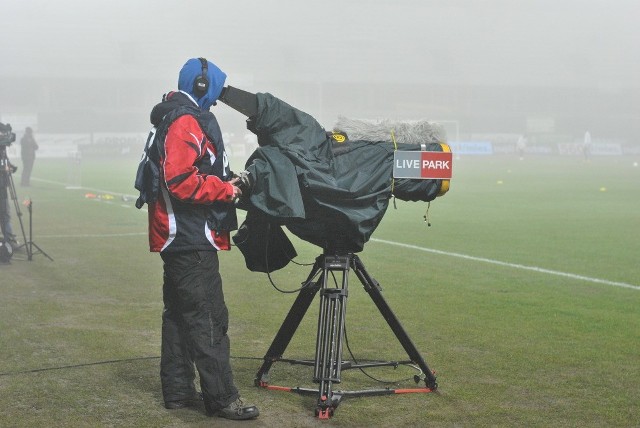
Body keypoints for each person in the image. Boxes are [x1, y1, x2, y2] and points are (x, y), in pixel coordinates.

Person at [143, 57, 258, 420]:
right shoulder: (187, 121)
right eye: (217, 90)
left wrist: (225, 182)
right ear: (202, 86)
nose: (218, 98)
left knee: (179, 316)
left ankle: (177, 391)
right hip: (190, 238)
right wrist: (227, 190)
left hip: (177, 238)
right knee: (209, 318)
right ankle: (222, 398)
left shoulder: (172, 115)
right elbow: (179, 180)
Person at [0, 157, 18, 247]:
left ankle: (9, 241)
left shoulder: (3, 153)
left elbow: (6, 163)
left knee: (5, 214)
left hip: (2, 187)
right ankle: (9, 242)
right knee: (5, 214)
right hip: (1, 187)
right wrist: (4, 169)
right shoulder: (1, 151)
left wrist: (11, 167)